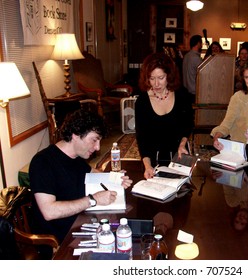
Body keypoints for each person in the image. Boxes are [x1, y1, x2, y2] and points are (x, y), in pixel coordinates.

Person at [29, 109, 133, 244]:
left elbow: (93, 172)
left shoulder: (75, 157)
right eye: (94, 140)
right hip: (58, 240)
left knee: (125, 233)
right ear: (76, 135)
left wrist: (114, 178)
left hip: (80, 223)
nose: (97, 147)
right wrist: (93, 200)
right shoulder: (42, 162)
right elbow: (49, 212)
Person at [135, 52, 194, 179]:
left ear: (169, 76)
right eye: (152, 78)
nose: (156, 84)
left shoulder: (181, 95)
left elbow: (188, 123)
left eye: (161, 78)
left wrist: (183, 142)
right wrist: (147, 166)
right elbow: (142, 138)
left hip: (179, 155)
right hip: (153, 160)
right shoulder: (142, 101)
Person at [211, 59, 248, 181]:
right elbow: (227, 123)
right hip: (241, 149)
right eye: (246, 77)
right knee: (237, 185)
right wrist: (217, 136)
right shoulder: (238, 97)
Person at [182, 34, 203, 102]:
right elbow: (202, 75)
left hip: (186, 91)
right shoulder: (196, 58)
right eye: (201, 43)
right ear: (198, 43)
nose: (202, 44)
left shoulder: (186, 56)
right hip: (194, 91)